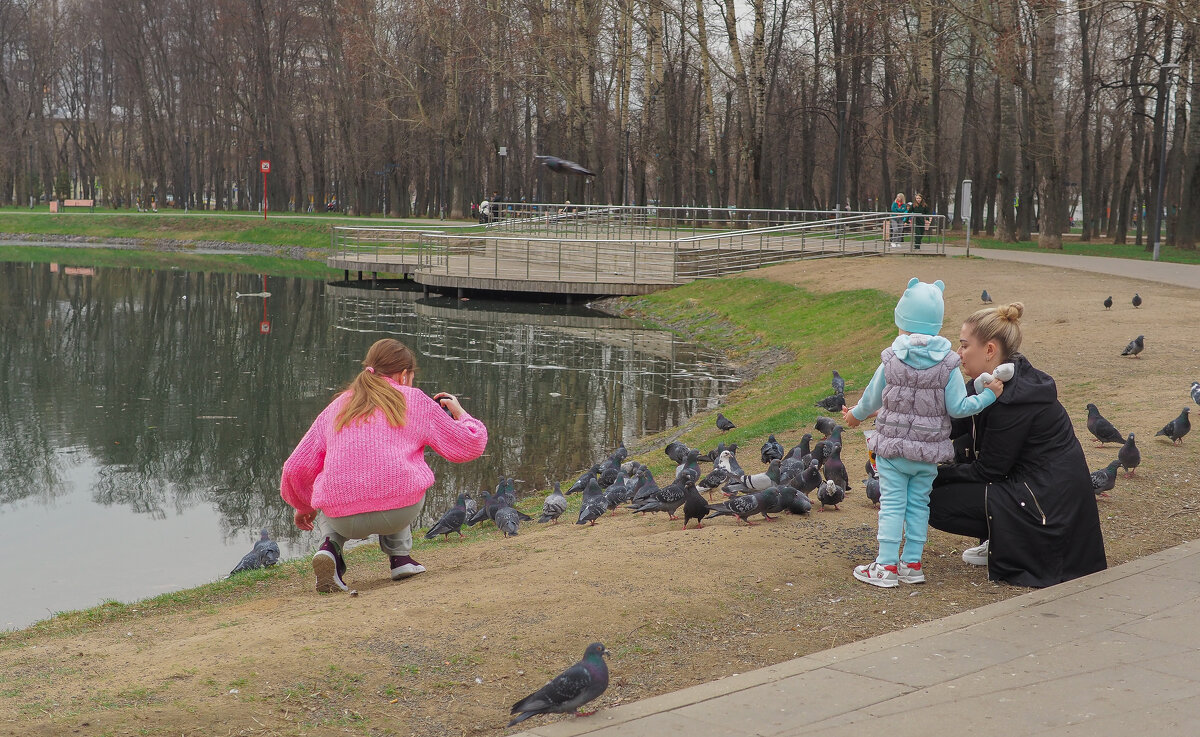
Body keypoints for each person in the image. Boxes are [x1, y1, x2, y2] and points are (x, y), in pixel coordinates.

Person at [281, 338, 488, 593]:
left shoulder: (336, 408)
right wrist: (459, 413)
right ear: (403, 375)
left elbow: (294, 468)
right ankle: (400, 558)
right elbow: (471, 444)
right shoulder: (415, 400)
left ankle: (330, 549)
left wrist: (303, 505)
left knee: (328, 485)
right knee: (398, 475)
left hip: (344, 520)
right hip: (399, 511)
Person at [928, 303, 1107, 587]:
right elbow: (951, 421)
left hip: (1047, 508)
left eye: (964, 346)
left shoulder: (1013, 401)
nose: (958, 354)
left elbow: (990, 471)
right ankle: (1001, 538)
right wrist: (895, 417)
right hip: (1039, 491)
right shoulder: (997, 380)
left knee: (932, 501)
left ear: (989, 351)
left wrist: (932, 475)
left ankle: (1011, 542)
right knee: (952, 461)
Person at [842, 278, 1004, 588]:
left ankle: (886, 567)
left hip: (892, 451)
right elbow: (958, 408)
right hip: (927, 453)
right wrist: (988, 396)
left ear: (902, 321)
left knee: (891, 505)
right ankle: (912, 564)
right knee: (918, 506)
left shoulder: (892, 358)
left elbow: (871, 399)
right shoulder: (948, 364)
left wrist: (854, 416)